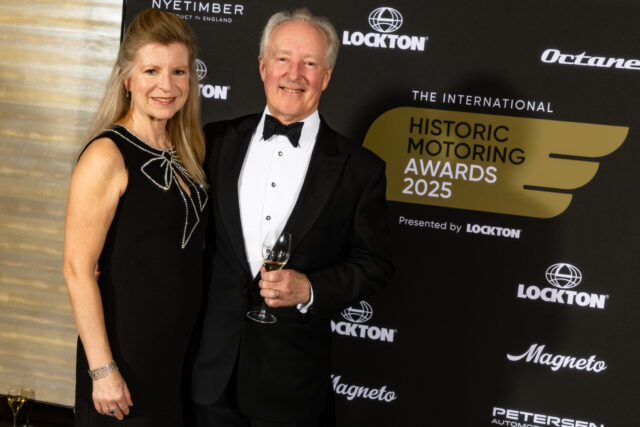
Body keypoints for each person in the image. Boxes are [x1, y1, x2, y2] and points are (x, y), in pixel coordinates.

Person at [189, 8, 394, 426]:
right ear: (263, 66)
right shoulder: (213, 142)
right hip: (209, 378)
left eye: (310, 63)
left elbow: (376, 263)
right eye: (282, 59)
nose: (294, 74)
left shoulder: (360, 170)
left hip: (291, 388)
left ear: (327, 76)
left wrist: (310, 288)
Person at [62, 9, 208, 426]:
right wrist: (103, 370)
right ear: (127, 78)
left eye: (178, 71)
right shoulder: (106, 155)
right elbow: (76, 269)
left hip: (172, 361)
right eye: (151, 71)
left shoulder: (187, 152)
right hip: (123, 364)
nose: (167, 85)